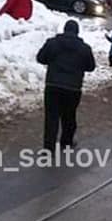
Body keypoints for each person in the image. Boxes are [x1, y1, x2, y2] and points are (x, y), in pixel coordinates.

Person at [36, 19, 96, 153]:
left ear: (64, 30)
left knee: (51, 117)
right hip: (73, 88)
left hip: (53, 85)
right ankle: (66, 142)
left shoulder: (52, 43)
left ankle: (49, 147)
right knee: (69, 115)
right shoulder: (84, 48)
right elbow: (91, 67)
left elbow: (40, 58)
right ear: (77, 32)